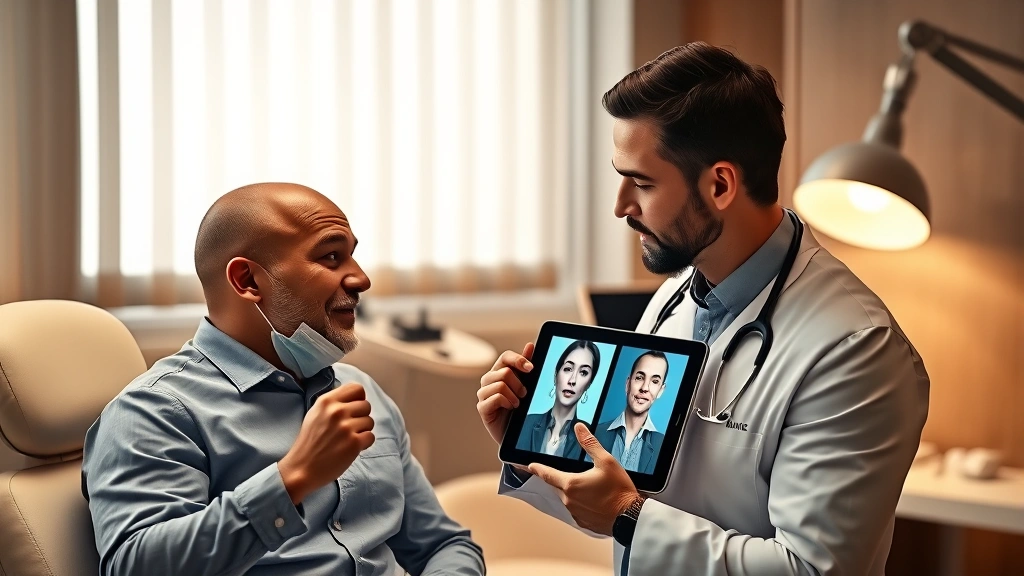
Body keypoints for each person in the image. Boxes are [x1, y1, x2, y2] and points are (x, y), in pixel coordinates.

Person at [476, 42, 929, 575]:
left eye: (641, 183)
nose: (620, 206)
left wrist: (629, 516)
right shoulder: (674, 297)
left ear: (719, 184)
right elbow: (620, 499)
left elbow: (811, 569)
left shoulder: (855, 351)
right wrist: (530, 448)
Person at [82, 183, 484, 576]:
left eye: (352, 257)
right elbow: (134, 565)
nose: (361, 279)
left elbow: (443, 545)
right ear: (248, 281)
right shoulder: (153, 412)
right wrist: (294, 476)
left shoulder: (361, 391)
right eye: (331, 257)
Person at [516, 339, 601, 458]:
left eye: (583, 372)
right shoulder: (526, 423)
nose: (572, 380)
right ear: (556, 375)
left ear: (589, 384)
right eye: (568, 369)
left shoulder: (593, 437)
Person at [593, 351, 667, 474]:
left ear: (660, 391)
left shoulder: (664, 446)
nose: (645, 388)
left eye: (654, 381)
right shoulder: (595, 432)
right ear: (628, 384)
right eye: (639, 378)